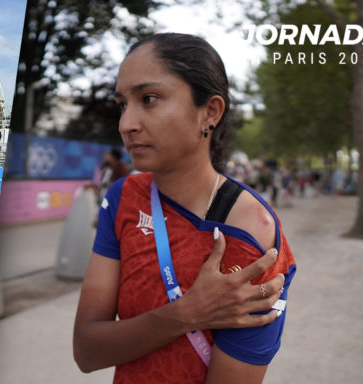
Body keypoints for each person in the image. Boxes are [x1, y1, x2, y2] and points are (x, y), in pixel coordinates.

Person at [73, 33, 296, 383]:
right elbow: (87, 351)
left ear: (210, 112)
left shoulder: (250, 230)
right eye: (122, 104)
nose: (126, 124)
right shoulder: (123, 198)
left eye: (149, 99)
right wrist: (186, 314)